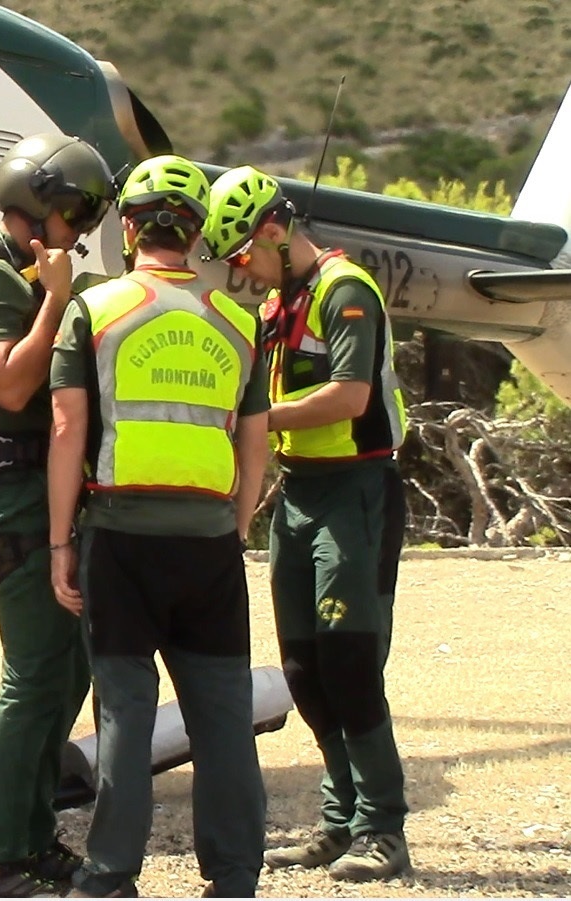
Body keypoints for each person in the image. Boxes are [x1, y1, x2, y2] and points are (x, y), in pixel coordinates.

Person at [47, 155, 271, 898]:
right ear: (199, 233)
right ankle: (234, 876)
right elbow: (253, 440)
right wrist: (235, 525)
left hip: (120, 537)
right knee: (223, 717)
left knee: (125, 713)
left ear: (129, 228)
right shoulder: (239, 321)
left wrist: (59, 544)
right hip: (209, 542)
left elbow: (66, 429)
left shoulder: (94, 309)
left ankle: (111, 873)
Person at [203, 165, 411, 882]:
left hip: (356, 491)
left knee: (350, 660)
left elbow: (350, 396)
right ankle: (339, 819)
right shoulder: (275, 304)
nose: (241, 272)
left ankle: (382, 827)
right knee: (302, 667)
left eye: (242, 255)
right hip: (298, 492)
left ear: (273, 230)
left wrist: (257, 420)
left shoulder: (344, 290)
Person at [0, 133, 112, 898]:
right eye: (75, 214)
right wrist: (57, 299)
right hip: (12, 497)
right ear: (37, 206)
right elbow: (7, 384)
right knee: (35, 671)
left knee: (65, 670)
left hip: (44, 492)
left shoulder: (23, 272)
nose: (79, 231)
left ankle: (31, 837)